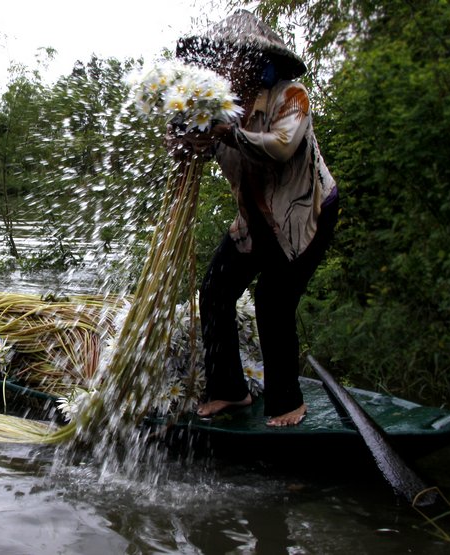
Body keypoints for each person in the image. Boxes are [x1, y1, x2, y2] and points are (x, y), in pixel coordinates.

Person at [170, 10, 339, 426]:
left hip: (306, 214)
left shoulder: (290, 96)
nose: (219, 68)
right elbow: (190, 152)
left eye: (229, 59)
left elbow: (281, 147)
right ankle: (230, 390)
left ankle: (288, 402)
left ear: (252, 61)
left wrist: (227, 132)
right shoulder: (217, 109)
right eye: (215, 61)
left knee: (273, 300)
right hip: (256, 219)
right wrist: (180, 142)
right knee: (214, 290)